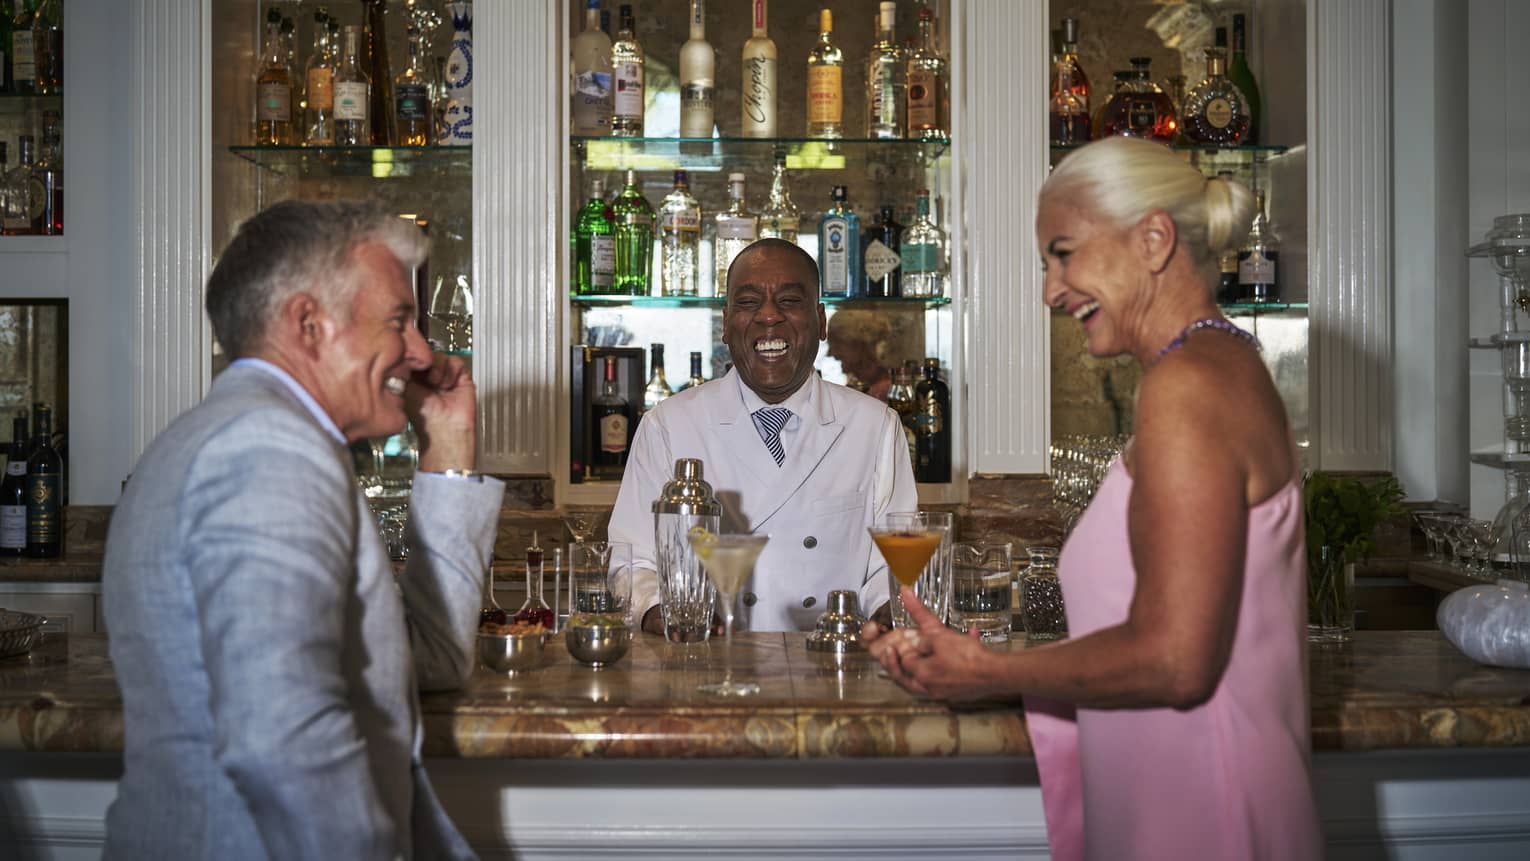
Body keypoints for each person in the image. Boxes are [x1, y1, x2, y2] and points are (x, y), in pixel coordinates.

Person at [864, 137, 1323, 860]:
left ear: (1153, 239)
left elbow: (1175, 658)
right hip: (1183, 794)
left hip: (1204, 812)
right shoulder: (1216, 364)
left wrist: (988, 673)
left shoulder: (1188, 386)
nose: (1051, 290)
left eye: (1064, 253)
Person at [101, 200, 504, 859]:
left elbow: (428, 657)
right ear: (309, 324)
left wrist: (449, 444)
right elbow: (280, 735)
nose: (422, 351)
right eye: (400, 320)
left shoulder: (247, 436)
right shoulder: (266, 450)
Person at [610, 238, 918, 633]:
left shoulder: (875, 426)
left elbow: (894, 563)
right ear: (725, 323)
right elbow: (632, 561)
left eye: (789, 301)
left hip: (835, 667)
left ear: (821, 322)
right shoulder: (668, 425)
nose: (768, 316)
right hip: (707, 665)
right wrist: (664, 613)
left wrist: (888, 609)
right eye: (748, 302)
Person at [825, 309, 893, 401]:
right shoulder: (859, 385)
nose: (830, 353)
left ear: (860, 344)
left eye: (837, 343)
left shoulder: (882, 391)